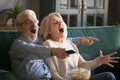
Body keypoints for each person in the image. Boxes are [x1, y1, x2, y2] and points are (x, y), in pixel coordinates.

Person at [9, 9, 99, 80]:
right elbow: (33, 50)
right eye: (29, 22)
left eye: (35, 21)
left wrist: (80, 40)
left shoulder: (40, 41)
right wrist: (54, 51)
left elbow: (60, 40)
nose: (34, 24)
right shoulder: (17, 46)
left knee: (84, 58)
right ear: (20, 28)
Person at [40, 12, 120, 80]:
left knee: (109, 75)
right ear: (49, 31)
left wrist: (98, 61)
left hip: (82, 77)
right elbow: (53, 73)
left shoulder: (70, 43)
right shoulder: (48, 44)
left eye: (61, 21)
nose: (60, 23)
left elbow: (82, 65)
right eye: (56, 23)